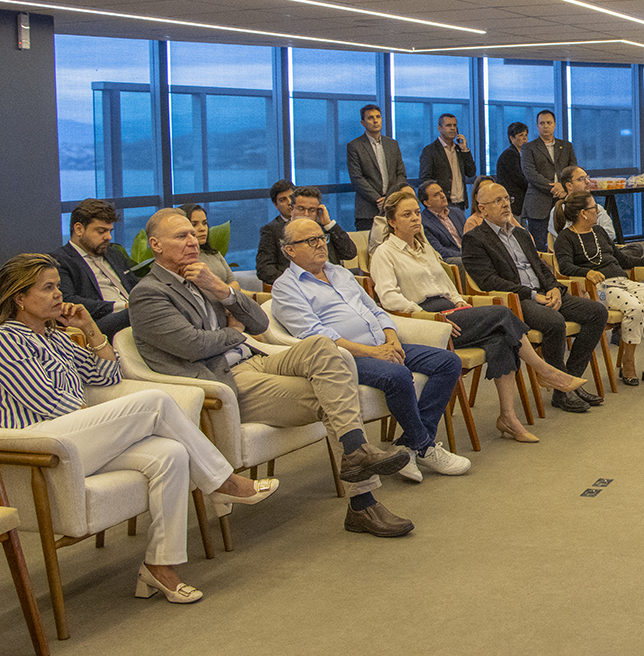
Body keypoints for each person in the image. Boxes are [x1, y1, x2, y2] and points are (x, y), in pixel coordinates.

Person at [0, 253, 278, 604]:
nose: (59, 295)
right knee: (154, 401)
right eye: (48, 288)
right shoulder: (7, 340)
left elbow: (107, 375)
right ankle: (222, 480)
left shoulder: (55, 337)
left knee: (171, 454)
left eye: (58, 286)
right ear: (19, 298)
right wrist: (106, 416)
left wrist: (90, 329)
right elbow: (45, 403)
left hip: (77, 440)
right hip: (40, 446)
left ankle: (160, 567)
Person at [130, 209, 415, 537]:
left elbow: (260, 323)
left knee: (323, 346)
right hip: (225, 379)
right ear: (156, 245)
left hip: (256, 358)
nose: (192, 241)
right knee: (335, 398)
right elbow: (193, 346)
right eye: (181, 236)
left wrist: (221, 289)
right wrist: (235, 332)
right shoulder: (149, 293)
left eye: (193, 235)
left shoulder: (201, 277)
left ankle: (356, 454)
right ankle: (362, 503)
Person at [371, 191, 589, 442]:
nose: (414, 218)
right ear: (392, 222)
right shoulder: (384, 253)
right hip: (425, 320)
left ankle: (508, 417)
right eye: (406, 215)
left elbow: (448, 285)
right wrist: (427, 317)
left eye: (417, 213)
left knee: (502, 340)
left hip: (451, 311)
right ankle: (544, 370)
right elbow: (388, 299)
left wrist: (460, 303)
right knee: (503, 313)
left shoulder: (424, 248)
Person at [271, 218, 471, 480]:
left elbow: (375, 309)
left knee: (448, 362)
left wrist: (391, 338)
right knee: (397, 375)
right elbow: (316, 337)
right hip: (345, 358)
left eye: (321, 238)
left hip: (382, 344)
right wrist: (374, 353)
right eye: (311, 240)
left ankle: (409, 445)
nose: (320, 244)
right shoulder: (286, 287)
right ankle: (424, 446)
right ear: (290, 250)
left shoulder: (340, 273)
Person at [462, 182, 607, 414]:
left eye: (506, 198)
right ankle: (563, 392)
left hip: (543, 292)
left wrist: (554, 289)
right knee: (553, 322)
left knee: (597, 312)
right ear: (482, 209)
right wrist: (532, 295)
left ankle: (569, 379)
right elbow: (489, 282)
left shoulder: (520, 232)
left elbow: (541, 266)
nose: (505, 204)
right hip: (518, 301)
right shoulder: (475, 239)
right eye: (497, 201)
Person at [554, 192, 644, 387]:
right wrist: (587, 273)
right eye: (595, 208)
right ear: (583, 213)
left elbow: (623, 259)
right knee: (636, 308)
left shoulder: (599, 232)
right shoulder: (565, 238)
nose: (598, 211)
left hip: (623, 281)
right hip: (601, 288)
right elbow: (565, 267)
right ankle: (628, 363)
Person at [50, 198, 139, 340]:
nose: (108, 237)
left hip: (132, 314)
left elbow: (134, 283)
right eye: (101, 231)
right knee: (142, 311)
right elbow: (69, 300)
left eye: (110, 231)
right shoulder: (60, 260)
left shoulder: (113, 253)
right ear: (79, 229)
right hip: (99, 322)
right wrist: (123, 306)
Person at [257, 186, 358, 285]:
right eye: (301, 209)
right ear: (291, 209)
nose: (306, 214)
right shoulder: (274, 230)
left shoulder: (324, 228)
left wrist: (329, 224)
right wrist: (294, 283)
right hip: (299, 286)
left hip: (334, 283)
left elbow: (350, 253)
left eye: (311, 210)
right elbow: (264, 270)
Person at [519, 109, 576, 252]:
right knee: (540, 247)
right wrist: (555, 187)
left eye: (549, 123)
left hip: (563, 201)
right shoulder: (528, 147)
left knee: (565, 244)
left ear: (555, 125)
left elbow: (573, 169)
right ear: (537, 126)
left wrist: (563, 187)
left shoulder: (566, 146)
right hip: (538, 204)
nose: (545, 126)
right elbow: (530, 173)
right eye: (542, 123)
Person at [347, 104, 409, 231]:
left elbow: (401, 174)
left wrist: (390, 198)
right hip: (368, 209)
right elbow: (357, 179)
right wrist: (378, 199)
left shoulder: (392, 144)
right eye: (370, 118)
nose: (375, 121)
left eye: (378, 117)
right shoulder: (355, 146)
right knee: (369, 247)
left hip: (393, 207)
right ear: (363, 122)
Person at [418, 113, 475, 209]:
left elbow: (471, 172)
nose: (452, 128)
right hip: (442, 204)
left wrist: (465, 150)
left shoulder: (459, 149)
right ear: (439, 128)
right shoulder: (430, 150)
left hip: (460, 203)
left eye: (455, 125)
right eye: (448, 125)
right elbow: (425, 179)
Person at [547, 166, 615, 246]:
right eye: (581, 179)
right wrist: (594, 234)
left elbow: (610, 234)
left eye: (587, 178)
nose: (588, 182)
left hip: (600, 252)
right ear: (569, 185)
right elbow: (568, 241)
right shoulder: (559, 210)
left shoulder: (597, 207)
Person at [178, 203, 238, 290]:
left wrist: (225, 293)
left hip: (229, 301)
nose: (202, 228)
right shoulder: (183, 261)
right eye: (194, 224)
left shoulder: (214, 254)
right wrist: (226, 292)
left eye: (204, 223)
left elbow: (235, 283)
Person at [256, 179, 295, 285]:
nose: (289, 203)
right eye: (283, 200)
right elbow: (264, 269)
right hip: (290, 285)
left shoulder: (312, 222)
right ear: (275, 205)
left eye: (291, 197)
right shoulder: (270, 230)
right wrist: (290, 283)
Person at [418, 182, 467, 263]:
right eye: (436, 195)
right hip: (448, 259)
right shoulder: (424, 222)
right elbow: (439, 250)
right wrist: (466, 256)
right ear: (426, 203)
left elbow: (468, 237)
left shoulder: (457, 212)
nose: (443, 196)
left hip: (467, 254)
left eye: (441, 191)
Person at [495, 121, 529, 220]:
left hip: (519, 202)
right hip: (513, 202)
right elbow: (519, 178)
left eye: (526, 135)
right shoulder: (510, 154)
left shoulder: (520, 154)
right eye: (521, 135)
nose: (525, 138)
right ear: (512, 138)